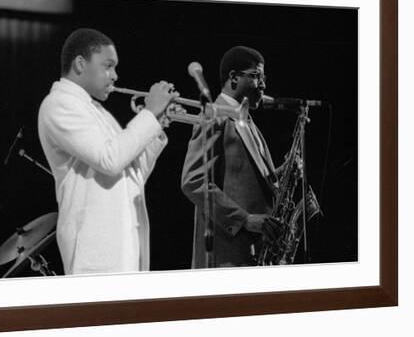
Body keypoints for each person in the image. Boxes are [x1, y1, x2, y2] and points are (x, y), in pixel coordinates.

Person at [38, 28, 178, 275]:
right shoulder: (59, 104)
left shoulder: (98, 111)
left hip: (123, 241)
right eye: (108, 66)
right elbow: (110, 160)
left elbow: (132, 176)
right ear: (80, 64)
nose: (115, 75)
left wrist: (155, 128)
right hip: (95, 248)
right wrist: (149, 114)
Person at [181, 45, 284, 268]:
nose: (263, 85)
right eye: (256, 76)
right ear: (234, 78)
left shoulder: (249, 123)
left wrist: (282, 173)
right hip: (227, 253)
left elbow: (246, 180)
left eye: (264, 77)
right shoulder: (213, 114)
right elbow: (193, 181)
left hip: (255, 250)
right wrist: (244, 219)